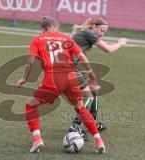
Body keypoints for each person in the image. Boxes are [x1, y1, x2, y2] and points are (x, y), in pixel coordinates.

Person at [17, 17, 105, 154]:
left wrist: (24, 78)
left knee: (30, 105)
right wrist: (90, 73)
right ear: (55, 27)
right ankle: (99, 142)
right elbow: (82, 57)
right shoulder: (66, 38)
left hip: (52, 79)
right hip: (71, 78)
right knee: (81, 109)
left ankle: (37, 140)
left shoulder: (38, 39)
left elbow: (30, 62)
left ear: (44, 28)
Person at [68, 18, 128, 139]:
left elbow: (80, 56)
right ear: (94, 26)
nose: (103, 34)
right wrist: (120, 43)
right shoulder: (88, 33)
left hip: (73, 67)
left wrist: (89, 73)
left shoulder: (86, 32)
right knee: (88, 97)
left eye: (105, 32)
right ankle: (75, 126)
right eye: (102, 30)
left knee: (94, 89)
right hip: (68, 69)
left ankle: (92, 122)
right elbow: (108, 49)